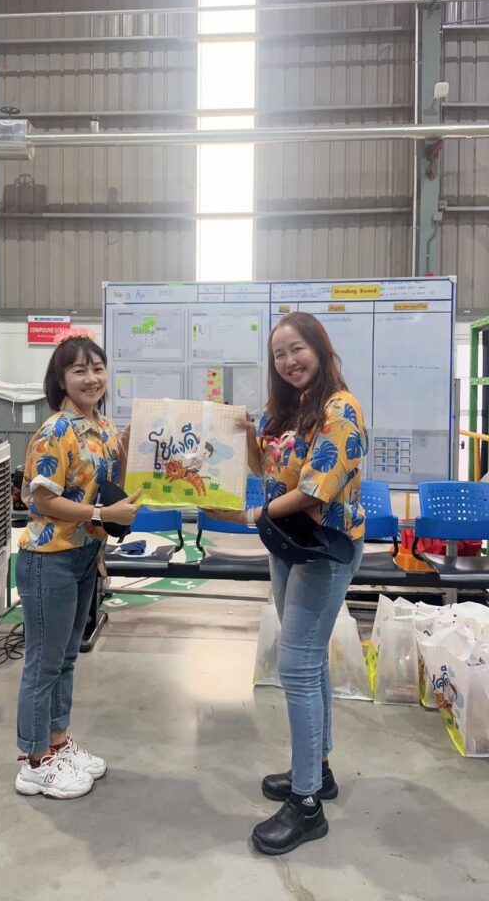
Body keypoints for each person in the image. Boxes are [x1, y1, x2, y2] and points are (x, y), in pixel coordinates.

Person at [207, 311, 368, 855]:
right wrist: (246, 436)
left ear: (320, 349)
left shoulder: (340, 409)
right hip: (288, 544)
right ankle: (317, 770)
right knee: (309, 661)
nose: (289, 360)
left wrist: (248, 517)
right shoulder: (289, 408)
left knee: (296, 666)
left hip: (324, 546)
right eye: (279, 353)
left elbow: (315, 491)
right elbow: (268, 471)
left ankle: (306, 805)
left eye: (297, 348)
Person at [15, 331, 141, 800]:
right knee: (43, 664)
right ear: (61, 379)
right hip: (49, 559)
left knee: (66, 658)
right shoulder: (55, 432)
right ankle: (33, 762)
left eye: (97, 368)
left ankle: (57, 743)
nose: (91, 378)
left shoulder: (104, 428)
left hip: (85, 555)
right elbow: (41, 500)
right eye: (79, 370)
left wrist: (131, 447)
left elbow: (114, 482)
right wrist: (102, 514)